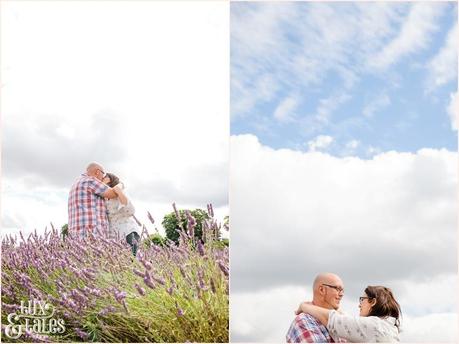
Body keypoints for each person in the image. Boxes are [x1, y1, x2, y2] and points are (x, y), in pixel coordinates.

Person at [296, 285, 402, 343]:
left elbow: (331, 320)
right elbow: (348, 320)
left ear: (373, 302)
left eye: (362, 300)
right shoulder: (385, 327)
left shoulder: (375, 326)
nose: (359, 305)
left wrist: (304, 306)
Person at [286, 273, 346, 343]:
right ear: (321, 290)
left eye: (342, 290)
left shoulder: (339, 320)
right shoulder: (304, 321)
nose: (341, 294)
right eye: (337, 289)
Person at [68, 162, 117, 239]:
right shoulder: (90, 181)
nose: (103, 177)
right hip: (92, 233)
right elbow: (113, 194)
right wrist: (120, 185)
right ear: (97, 172)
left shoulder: (76, 183)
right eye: (103, 174)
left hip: (76, 235)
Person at [103, 172, 141, 256]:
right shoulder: (103, 198)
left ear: (109, 179)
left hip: (127, 231)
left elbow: (130, 211)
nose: (101, 178)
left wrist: (119, 191)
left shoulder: (119, 192)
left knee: (132, 261)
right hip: (113, 236)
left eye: (104, 177)